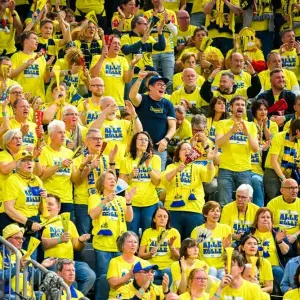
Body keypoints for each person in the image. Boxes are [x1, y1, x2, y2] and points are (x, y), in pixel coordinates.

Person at [88, 170, 136, 300]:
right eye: (109, 179)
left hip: (120, 246)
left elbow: (129, 218)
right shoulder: (95, 198)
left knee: (120, 278)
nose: (113, 181)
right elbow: (92, 215)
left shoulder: (120, 199)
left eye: (114, 179)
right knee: (104, 278)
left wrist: (129, 202)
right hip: (103, 246)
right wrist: (105, 201)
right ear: (102, 183)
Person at [41, 194, 96, 296]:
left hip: (70, 262)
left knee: (90, 275)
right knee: (64, 280)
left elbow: (77, 247)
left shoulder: (69, 223)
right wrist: (59, 239)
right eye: (45, 204)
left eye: (50, 204)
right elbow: (43, 245)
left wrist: (80, 241)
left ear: (58, 207)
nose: (47, 206)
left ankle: (73, 297)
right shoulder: (41, 222)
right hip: (53, 261)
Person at [162, 141, 216, 239]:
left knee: (193, 243)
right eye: (184, 149)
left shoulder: (198, 167)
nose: (187, 151)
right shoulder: (171, 167)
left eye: (189, 149)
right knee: (173, 242)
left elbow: (209, 177)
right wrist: (176, 170)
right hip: (173, 211)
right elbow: (164, 181)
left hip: (194, 210)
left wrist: (210, 161)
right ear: (178, 153)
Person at [215, 96, 259, 207]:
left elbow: (255, 149)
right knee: (224, 203)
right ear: (231, 107)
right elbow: (218, 144)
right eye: (237, 104)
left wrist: (247, 134)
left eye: (243, 105)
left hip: (244, 170)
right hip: (225, 169)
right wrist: (231, 132)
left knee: (246, 204)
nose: (240, 107)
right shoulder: (222, 124)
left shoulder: (251, 126)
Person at [72, 128, 116, 236]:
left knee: (100, 235)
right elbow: (75, 181)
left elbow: (112, 179)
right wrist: (89, 167)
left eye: (100, 139)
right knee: (85, 236)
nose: (99, 141)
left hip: (100, 201)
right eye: (95, 139)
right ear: (87, 141)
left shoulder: (105, 158)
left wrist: (112, 162)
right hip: (83, 202)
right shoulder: (78, 159)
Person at [130, 72, 177, 170]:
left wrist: (166, 140)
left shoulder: (168, 104)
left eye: (164, 85)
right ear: (150, 87)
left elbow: (173, 127)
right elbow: (132, 96)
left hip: (159, 149)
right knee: (139, 176)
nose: (163, 87)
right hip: (140, 148)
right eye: (159, 84)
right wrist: (139, 79)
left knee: (157, 177)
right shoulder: (143, 99)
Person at [3, 150, 45, 254]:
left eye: (30, 160)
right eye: (24, 161)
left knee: (31, 259)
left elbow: (41, 209)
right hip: (16, 226)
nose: (29, 163)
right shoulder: (12, 180)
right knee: (19, 259)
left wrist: (44, 198)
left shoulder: (37, 180)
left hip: (33, 225)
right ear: (17, 165)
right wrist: (28, 223)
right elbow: (9, 209)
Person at [119, 131, 161, 234]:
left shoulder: (155, 159)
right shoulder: (126, 160)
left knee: (149, 232)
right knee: (131, 232)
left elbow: (157, 182)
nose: (143, 142)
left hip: (150, 202)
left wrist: (148, 166)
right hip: (132, 203)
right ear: (135, 142)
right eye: (140, 139)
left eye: (146, 140)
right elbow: (120, 185)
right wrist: (130, 175)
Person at [0, 224, 55, 299]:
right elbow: (1, 277)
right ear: (6, 239)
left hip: (27, 293)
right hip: (8, 294)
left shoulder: (24, 253)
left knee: (50, 295)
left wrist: (42, 266)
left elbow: (33, 279)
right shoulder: (0, 254)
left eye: (22, 238)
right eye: (17, 238)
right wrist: (17, 267)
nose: (21, 241)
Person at [90, 96, 142, 171]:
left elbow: (139, 132)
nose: (111, 108)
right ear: (101, 108)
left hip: (123, 166)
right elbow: (92, 132)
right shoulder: (97, 123)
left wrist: (134, 114)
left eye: (113, 106)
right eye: (108, 106)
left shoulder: (125, 123)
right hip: (103, 166)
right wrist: (104, 114)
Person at [90, 35, 139, 108]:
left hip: (118, 103)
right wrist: (102, 57)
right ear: (108, 44)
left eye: (119, 44)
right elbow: (94, 75)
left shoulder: (123, 60)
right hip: (100, 103)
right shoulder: (97, 58)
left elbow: (127, 80)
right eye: (114, 43)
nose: (117, 46)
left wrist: (132, 65)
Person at [250, 208, 294, 286]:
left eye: (268, 217)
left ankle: (285, 293)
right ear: (257, 220)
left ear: (272, 221)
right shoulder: (249, 233)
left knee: (277, 270)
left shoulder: (277, 233)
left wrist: (279, 242)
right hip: (253, 265)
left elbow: (289, 253)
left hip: (273, 267)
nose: (266, 219)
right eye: (263, 217)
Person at [39, 120, 75, 214]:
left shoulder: (69, 153)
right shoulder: (44, 151)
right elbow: (41, 176)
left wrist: (83, 167)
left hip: (67, 200)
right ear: (51, 136)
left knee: (67, 228)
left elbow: (73, 178)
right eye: (59, 132)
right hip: (50, 199)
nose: (63, 135)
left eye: (64, 132)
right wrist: (60, 165)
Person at [139, 207, 181, 286]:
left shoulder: (174, 232)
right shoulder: (147, 232)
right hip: (152, 266)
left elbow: (177, 258)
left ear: (168, 219)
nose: (162, 218)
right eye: (159, 216)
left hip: (168, 266)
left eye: (165, 217)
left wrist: (171, 246)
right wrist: (149, 254)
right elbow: (140, 255)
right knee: (147, 275)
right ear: (154, 219)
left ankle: (167, 295)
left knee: (168, 272)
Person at [191, 201, 232, 280]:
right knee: (212, 272)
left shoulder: (226, 229)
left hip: (221, 267)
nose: (216, 213)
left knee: (223, 275)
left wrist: (225, 247)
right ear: (205, 214)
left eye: (218, 211)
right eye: (212, 211)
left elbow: (229, 254)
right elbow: (193, 252)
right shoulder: (197, 231)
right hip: (204, 267)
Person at [143, 0, 178, 93]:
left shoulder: (171, 13)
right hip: (152, 51)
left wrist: (168, 22)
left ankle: (169, 102)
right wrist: (152, 19)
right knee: (150, 80)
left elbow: (175, 33)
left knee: (169, 81)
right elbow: (145, 32)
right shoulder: (146, 14)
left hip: (168, 52)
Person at [263, 119, 300, 201]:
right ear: (297, 131)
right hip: (273, 172)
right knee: (275, 198)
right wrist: (283, 179)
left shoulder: (299, 142)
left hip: (289, 174)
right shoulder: (279, 137)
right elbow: (273, 161)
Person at [10, 31, 51, 101]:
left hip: (38, 99)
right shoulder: (16, 56)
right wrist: (26, 65)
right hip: (21, 98)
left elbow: (46, 81)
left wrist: (47, 67)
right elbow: (10, 74)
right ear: (26, 41)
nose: (37, 41)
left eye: (38, 40)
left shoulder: (41, 57)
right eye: (34, 39)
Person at [106, 231, 143, 300]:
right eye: (129, 242)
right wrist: (129, 275)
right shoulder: (114, 261)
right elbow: (113, 284)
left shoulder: (143, 263)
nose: (133, 244)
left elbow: (146, 287)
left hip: (138, 297)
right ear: (122, 245)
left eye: (135, 242)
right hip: (118, 297)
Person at [267, 179, 300, 247]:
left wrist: (294, 236)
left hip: (296, 238)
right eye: (291, 188)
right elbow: (268, 224)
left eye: (296, 187)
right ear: (282, 190)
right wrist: (278, 236)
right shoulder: (273, 203)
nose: (294, 191)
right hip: (277, 236)